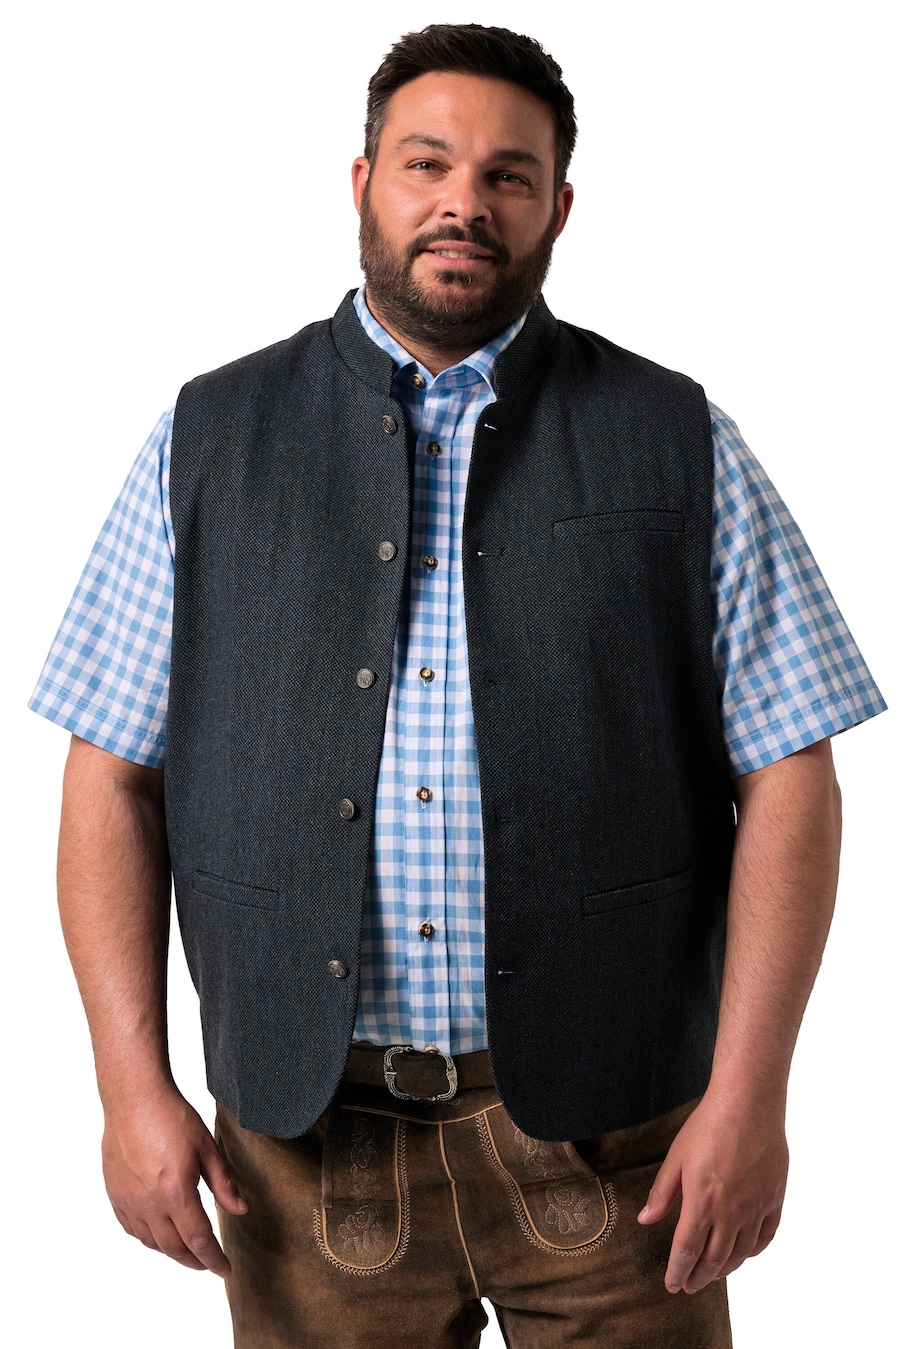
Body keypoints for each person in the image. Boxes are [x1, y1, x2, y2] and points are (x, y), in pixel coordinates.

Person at [30, 22, 885, 1349]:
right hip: (304, 1152)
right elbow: (109, 774)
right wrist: (127, 1086)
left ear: (559, 208)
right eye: (427, 164)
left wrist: (752, 1097)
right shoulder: (211, 436)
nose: (463, 203)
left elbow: (791, 769)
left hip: (624, 1144)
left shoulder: (676, 436)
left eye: (508, 176)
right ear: (362, 181)